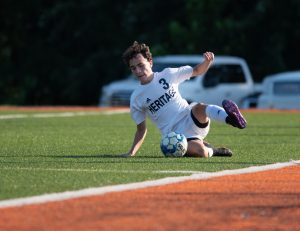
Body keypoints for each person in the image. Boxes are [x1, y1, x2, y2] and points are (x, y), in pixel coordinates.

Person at [121, 41, 247, 158]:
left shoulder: (168, 74)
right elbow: (141, 130)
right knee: (201, 152)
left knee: (200, 107)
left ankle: (231, 119)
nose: (138, 71)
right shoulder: (136, 98)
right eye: (133, 68)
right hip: (176, 137)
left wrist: (207, 62)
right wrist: (131, 152)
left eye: (140, 65)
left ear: (150, 62)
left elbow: (197, 70)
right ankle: (214, 150)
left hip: (190, 117)